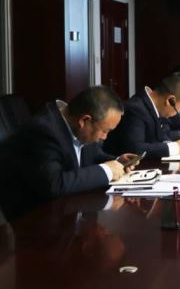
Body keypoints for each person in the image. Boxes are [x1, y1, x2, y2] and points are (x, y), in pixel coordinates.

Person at [0, 86, 138, 220]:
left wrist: (118, 162)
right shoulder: (43, 131)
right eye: (105, 131)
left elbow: (93, 156)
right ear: (84, 120)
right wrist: (107, 170)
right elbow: (55, 184)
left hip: (70, 210)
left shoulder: (76, 125)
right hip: (36, 220)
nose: (105, 137)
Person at [104, 73, 180, 160]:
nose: (179, 111)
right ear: (170, 100)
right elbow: (135, 149)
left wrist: (178, 144)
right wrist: (175, 147)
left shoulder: (158, 109)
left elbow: (164, 135)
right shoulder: (136, 109)